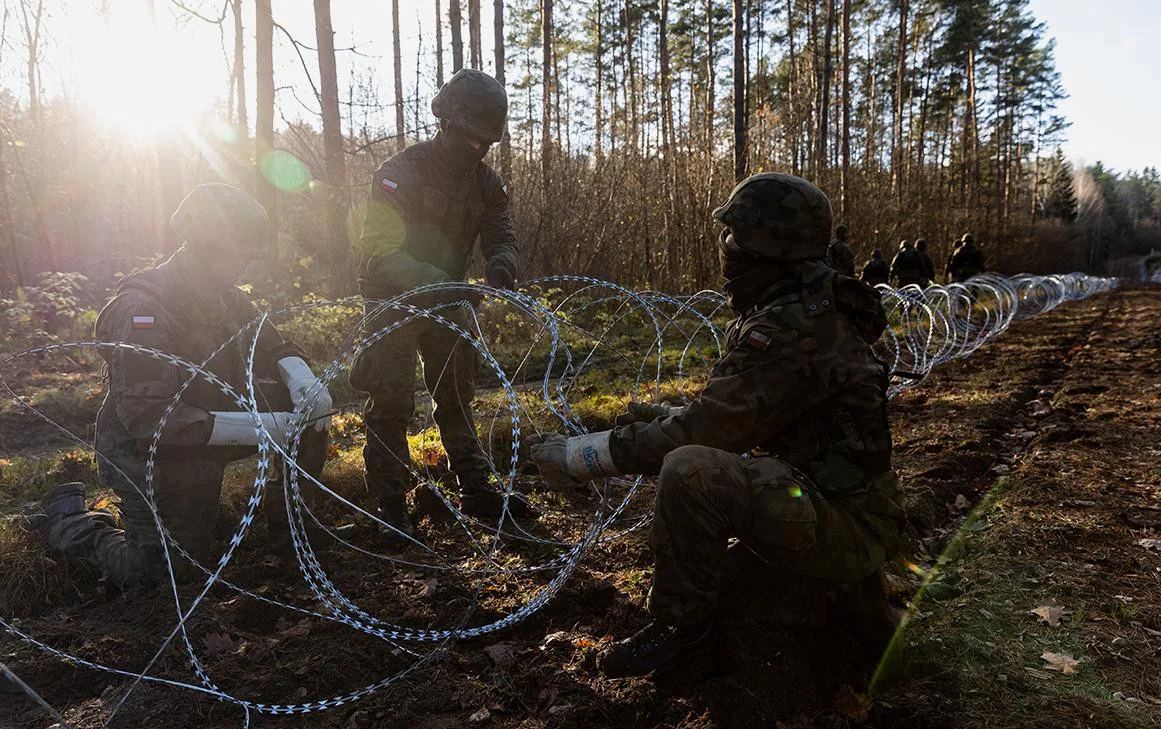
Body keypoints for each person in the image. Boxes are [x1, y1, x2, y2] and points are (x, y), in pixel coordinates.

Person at [528, 173, 905, 678]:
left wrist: (580, 457)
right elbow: (750, 414)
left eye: (733, 234)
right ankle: (826, 598)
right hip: (837, 503)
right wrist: (667, 418)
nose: (725, 246)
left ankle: (684, 634)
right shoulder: (805, 306)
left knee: (690, 470)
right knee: (732, 573)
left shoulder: (791, 325)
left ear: (763, 244)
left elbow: (706, 434)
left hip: (844, 522)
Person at [36, 184, 337, 590]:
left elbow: (271, 342)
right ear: (206, 246)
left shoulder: (223, 295)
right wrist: (268, 427)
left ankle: (292, 532)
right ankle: (69, 519)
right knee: (165, 576)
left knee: (309, 416)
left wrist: (304, 380)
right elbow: (152, 421)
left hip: (214, 421)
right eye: (241, 249)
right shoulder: (143, 312)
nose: (251, 258)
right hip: (154, 454)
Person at [350, 68, 531, 540]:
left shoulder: (487, 184)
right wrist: (441, 283)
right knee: (391, 400)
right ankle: (390, 504)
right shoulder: (397, 174)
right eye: (471, 138)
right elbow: (381, 249)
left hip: (450, 299)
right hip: (393, 300)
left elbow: (502, 233)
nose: (478, 149)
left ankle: (475, 488)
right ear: (446, 123)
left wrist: (502, 267)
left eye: (487, 141)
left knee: (456, 395)